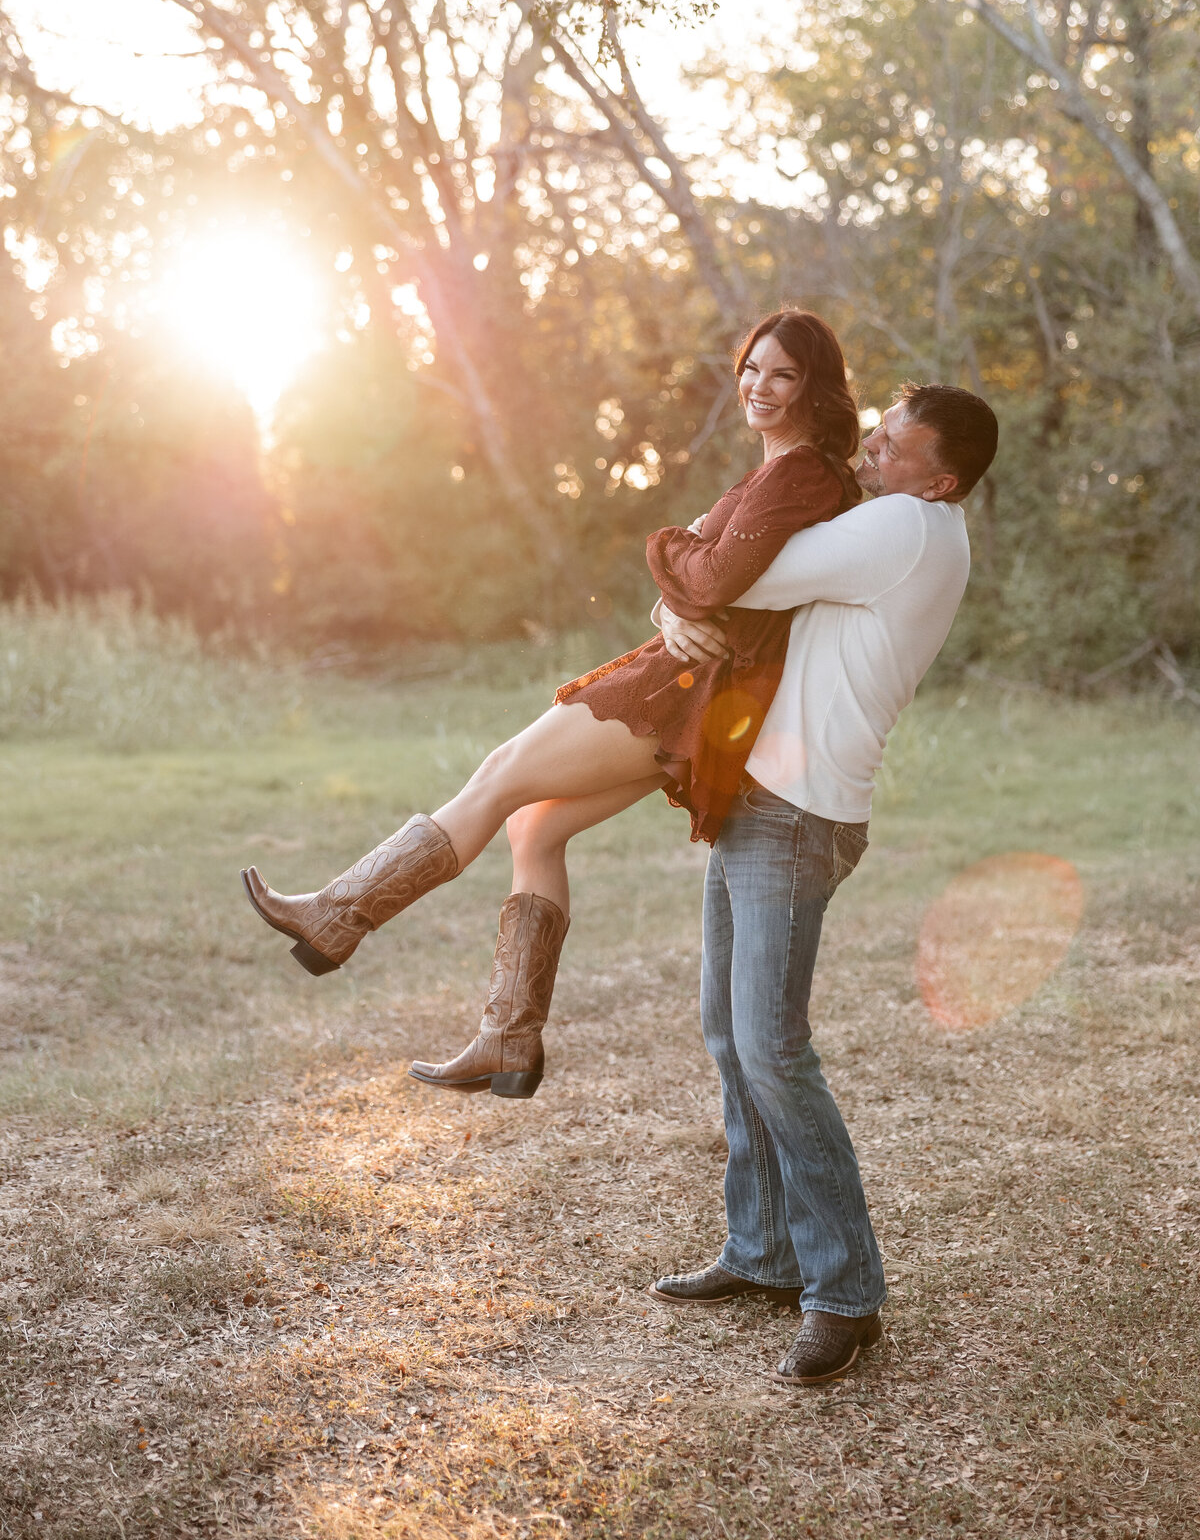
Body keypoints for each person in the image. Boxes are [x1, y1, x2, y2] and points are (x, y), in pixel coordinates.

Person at [241, 310, 862, 1096]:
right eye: (751, 368)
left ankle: (338, 913)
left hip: (683, 691)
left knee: (501, 776)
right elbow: (706, 587)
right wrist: (677, 596)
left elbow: (708, 578)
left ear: (815, 388)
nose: (760, 387)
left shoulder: (801, 474)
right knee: (534, 825)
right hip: (692, 681)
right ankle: (508, 1037)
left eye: (783, 374)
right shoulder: (777, 470)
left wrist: (666, 548)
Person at [647, 381, 999, 1388]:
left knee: (771, 1046)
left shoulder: (906, 526)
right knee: (730, 1032)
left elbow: (732, 576)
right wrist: (685, 593)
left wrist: (672, 559)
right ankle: (760, 1252)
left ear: (942, 480)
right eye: (876, 435)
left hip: (798, 818)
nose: (870, 457)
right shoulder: (901, 514)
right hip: (761, 798)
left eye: (893, 451)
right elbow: (723, 581)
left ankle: (844, 1290)